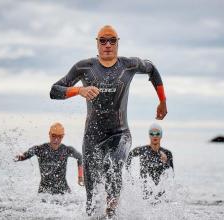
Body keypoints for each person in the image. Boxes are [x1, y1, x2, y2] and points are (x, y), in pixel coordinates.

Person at [49, 25, 168, 217]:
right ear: (97, 44)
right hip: (92, 138)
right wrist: (78, 91)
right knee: (91, 198)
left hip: (120, 134)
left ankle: (113, 211)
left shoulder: (129, 65)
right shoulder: (84, 67)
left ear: (118, 43)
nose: (107, 45)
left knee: (114, 164)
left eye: (112, 40)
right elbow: (54, 90)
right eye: (103, 40)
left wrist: (162, 100)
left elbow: (152, 69)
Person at [14, 122, 84, 194]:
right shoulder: (40, 149)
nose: (56, 139)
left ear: (63, 136)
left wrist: (80, 177)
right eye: (53, 136)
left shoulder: (67, 150)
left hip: (63, 192)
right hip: (44, 192)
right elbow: (24, 155)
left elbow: (80, 157)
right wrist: (17, 157)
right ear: (49, 134)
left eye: (59, 136)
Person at [126, 123, 173, 201]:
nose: (155, 136)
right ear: (149, 135)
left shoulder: (167, 153)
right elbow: (128, 156)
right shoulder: (142, 150)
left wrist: (166, 162)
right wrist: (129, 175)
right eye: (152, 133)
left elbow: (171, 175)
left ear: (161, 135)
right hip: (144, 192)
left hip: (160, 193)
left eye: (157, 133)